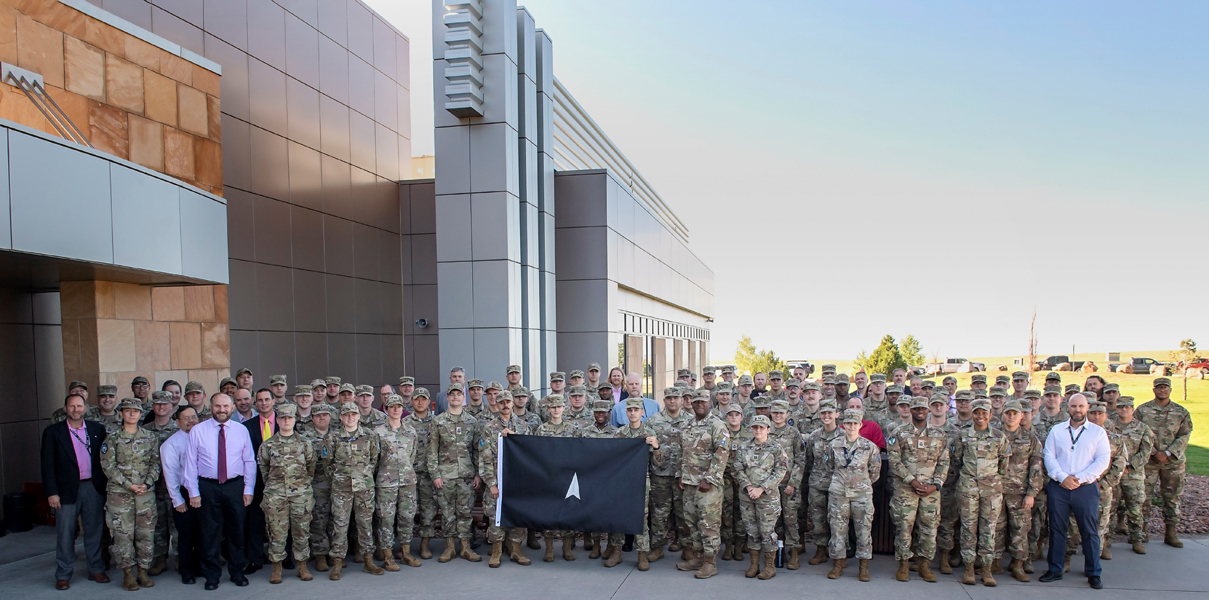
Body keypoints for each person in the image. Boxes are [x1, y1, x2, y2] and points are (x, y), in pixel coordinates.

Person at [1039, 393, 1111, 590]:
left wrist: (1080, 479)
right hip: (1060, 486)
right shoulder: (1057, 431)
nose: (1077, 410)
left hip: (1085, 487)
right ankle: (1055, 569)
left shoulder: (1097, 433)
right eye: (1073, 406)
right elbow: (1049, 456)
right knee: (1057, 529)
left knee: (1089, 531)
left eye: (1081, 406)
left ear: (1086, 407)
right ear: (1067, 408)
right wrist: (1063, 478)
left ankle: (1094, 572)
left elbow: (1103, 460)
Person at [184, 392, 255, 590]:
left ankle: (237, 572)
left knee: (236, 531)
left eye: (225, 406)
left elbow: (249, 461)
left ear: (232, 408)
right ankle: (212, 576)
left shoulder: (241, 430)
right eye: (217, 406)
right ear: (210, 406)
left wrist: (248, 489)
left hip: (235, 486)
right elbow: (191, 463)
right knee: (209, 533)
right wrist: (193, 492)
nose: (221, 410)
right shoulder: (198, 430)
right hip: (208, 486)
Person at [41, 393, 110, 590]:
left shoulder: (97, 429)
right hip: (65, 491)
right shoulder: (53, 432)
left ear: (85, 408)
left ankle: (96, 569)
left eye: (79, 406)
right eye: (71, 406)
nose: (76, 410)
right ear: (65, 409)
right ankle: (63, 574)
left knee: (94, 531)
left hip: (92, 487)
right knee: (65, 533)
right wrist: (51, 492)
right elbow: (47, 465)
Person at [887, 394, 949, 583]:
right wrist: (911, 481)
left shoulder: (939, 435)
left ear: (928, 410)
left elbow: (944, 462)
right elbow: (894, 460)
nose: (920, 412)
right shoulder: (898, 432)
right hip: (906, 489)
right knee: (904, 528)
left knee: (929, 528)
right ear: (911, 410)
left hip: (931, 491)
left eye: (923, 408)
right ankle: (904, 564)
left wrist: (936, 484)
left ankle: (924, 565)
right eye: (916, 409)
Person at [101, 398, 161, 590]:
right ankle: (128, 573)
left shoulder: (150, 437)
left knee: (146, 534)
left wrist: (147, 483)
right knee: (123, 535)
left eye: (135, 411)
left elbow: (156, 463)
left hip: (145, 495)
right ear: (121, 414)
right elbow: (108, 466)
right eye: (127, 411)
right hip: (120, 495)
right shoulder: (112, 439)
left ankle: (143, 571)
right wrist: (129, 485)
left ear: (140, 413)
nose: (132, 414)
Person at [257, 403, 316, 583]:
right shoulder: (268, 445)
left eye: (289, 417)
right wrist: (275, 487)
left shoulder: (305, 443)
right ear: (278, 420)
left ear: (295, 419)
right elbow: (264, 469)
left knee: (301, 531)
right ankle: (276, 568)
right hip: (276, 495)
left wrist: (301, 485)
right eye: (282, 418)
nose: (286, 421)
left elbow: (311, 467)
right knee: (276, 532)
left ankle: (302, 566)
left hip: (301, 495)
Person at [952, 398, 1009, 587]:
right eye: (977, 412)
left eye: (984, 413)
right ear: (972, 413)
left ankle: (986, 569)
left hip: (991, 490)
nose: (980, 416)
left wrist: (993, 478)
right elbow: (956, 460)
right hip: (968, 487)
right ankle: (969, 568)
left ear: (990, 415)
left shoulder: (999, 436)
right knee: (968, 528)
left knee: (989, 530)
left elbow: (1004, 463)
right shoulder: (962, 435)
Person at [477, 391, 534, 567]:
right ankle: (497, 551)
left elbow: (531, 453)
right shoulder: (489, 427)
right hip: (496, 480)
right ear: (497, 404)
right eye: (501, 402)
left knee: (517, 515)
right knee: (495, 517)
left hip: (517, 482)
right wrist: (491, 484)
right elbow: (484, 457)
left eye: (508, 401)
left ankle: (516, 550)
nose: (505, 405)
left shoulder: (523, 427)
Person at [677, 389, 729, 579]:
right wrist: (679, 475)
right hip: (689, 483)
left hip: (708, 485)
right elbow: (681, 452)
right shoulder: (687, 424)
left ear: (710, 403)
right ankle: (697, 557)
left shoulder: (717, 425)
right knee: (692, 523)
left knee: (709, 524)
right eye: (695, 402)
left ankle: (710, 562)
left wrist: (710, 479)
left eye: (703, 402)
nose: (699, 404)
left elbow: (722, 453)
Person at [1135, 377, 1193, 549]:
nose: (1162, 390)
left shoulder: (1181, 412)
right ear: (1154, 390)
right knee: (1143, 497)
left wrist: (1168, 453)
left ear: (1170, 390)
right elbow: (1137, 432)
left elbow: (1185, 434)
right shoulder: (1143, 410)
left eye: (1165, 388)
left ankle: (1171, 533)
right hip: (1149, 461)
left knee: (1172, 498)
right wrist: (1153, 452)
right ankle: (1142, 532)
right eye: (1159, 388)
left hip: (1173, 462)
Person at [328, 402, 383, 579]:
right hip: (341, 488)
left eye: (354, 414)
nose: (350, 418)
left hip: (364, 487)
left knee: (365, 524)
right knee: (340, 525)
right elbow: (327, 464)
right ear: (341, 417)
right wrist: (340, 478)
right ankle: (337, 562)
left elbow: (374, 460)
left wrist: (363, 476)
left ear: (359, 416)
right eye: (346, 414)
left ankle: (368, 560)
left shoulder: (369, 436)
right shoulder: (333, 437)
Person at [825, 408, 881, 582]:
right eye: (848, 423)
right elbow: (828, 467)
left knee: (863, 530)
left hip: (861, 494)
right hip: (839, 493)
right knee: (837, 529)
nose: (851, 426)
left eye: (855, 423)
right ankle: (837, 564)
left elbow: (875, 471)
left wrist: (862, 483)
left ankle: (863, 566)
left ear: (860, 425)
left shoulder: (869, 446)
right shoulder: (833, 445)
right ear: (844, 424)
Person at [429, 383, 481, 562]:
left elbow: (476, 450)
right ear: (448, 398)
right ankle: (449, 547)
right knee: (447, 513)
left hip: (466, 475)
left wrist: (477, 474)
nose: (456, 397)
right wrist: (435, 474)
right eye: (453, 395)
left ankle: (466, 547)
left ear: (463, 397)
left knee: (465, 513)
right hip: (445, 476)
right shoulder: (438, 422)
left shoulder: (472, 422)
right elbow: (432, 451)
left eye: (459, 394)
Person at [993, 400, 1043, 582]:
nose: (1012, 417)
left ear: (1022, 415)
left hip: (1020, 492)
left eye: (1015, 413)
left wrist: (1031, 493)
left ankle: (1018, 564)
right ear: (1003, 415)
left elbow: (1036, 467)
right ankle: (995, 560)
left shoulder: (1030, 439)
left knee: (1020, 529)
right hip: (996, 490)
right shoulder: (995, 436)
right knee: (996, 527)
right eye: (1008, 413)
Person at [734, 415, 789, 580]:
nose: (758, 430)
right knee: (751, 531)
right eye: (755, 427)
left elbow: (781, 470)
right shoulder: (744, 448)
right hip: (747, 495)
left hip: (768, 498)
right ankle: (754, 564)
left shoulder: (776, 448)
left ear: (768, 429)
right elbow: (737, 468)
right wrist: (750, 487)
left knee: (766, 531)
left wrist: (762, 488)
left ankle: (770, 566)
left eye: (762, 427)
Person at [612, 397, 662, 570]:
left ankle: (642, 554)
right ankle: (616, 552)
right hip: (621, 481)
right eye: (630, 410)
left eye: (636, 410)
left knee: (641, 517)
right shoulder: (619, 434)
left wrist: (655, 447)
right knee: (617, 515)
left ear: (642, 412)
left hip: (641, 481)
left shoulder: (649, 433)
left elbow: (659, 464)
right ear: (626, 413)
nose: (633, 413)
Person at [373, 394, 421, 570]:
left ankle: (406, 553)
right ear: (386, 409)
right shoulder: (378, 432)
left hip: (407, 480)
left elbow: (413, 456)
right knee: (386, 518)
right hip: (386, 482)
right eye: (392, 406)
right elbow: (374, 459)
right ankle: (387, 555)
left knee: (407, 517)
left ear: (402, 409)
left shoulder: (410, 431)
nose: (395, 409)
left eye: (399, 406)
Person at [644, 387, 692, 561]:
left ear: (681, 400)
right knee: (659, 513)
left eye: (676, 398)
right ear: (664, 401)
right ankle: (657, 547)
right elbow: (646, 447)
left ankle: (687, 546)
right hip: (660, 474)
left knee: (684, 513)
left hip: (684, 475)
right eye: (669, 398)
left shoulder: (690, 421)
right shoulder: (653, 421)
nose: (672, 401)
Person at [534, 394, 580, 561]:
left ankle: (567, 549)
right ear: (548, 409)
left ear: (563, 408)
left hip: (567, 477)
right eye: (552, 407)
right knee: (549, 513)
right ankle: (549, 549)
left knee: (567, 512)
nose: (555, 410)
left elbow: (579, 451)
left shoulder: (572, 429)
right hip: (548, 476)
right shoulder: (542, 429)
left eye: (558, 407)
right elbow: (536, 453)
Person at [160, 406, 200, 585]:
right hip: (183, 493)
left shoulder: (203, 437)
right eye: (186, 418)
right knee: (185, 535)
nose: (191, 420)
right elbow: (171, 474)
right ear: (177, 422)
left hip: (204, 491)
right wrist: (178, 500)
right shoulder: (171, 444)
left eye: (193, 417)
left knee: (203, 533)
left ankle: (201, 566)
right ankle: (187, 570)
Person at [140, 392, 178, 577]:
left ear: (171, 406)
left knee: (177, 524)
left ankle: (179, 556)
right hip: (153, 487)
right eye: (158, 404)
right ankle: (160, 557)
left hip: (174, 487)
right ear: (152, 407)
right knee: (157, 524)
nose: (161, 407)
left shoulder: (179, 429)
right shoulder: (144, 430)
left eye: (165, 404)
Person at [242, 388, 277, 574]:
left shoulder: (284, 422)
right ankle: (255, 558)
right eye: (260, 400)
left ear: (273, 401)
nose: (264, 403)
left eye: (267, 399)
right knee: (255, 521)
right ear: (256, 403)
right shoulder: (247, 427)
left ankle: (283, 556)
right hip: (256, 480)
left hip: (280, 481)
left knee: (280, 521)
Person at [1113, 397, 1154, 554]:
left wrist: (1129, 465)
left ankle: (1137, 539)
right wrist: (1119, 466)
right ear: (1117, 408)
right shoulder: (1110, 426)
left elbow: (1146, 452)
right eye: (1121, 406)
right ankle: (1107, 540)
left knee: (1135, 508)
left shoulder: (1142, 428)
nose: (1124, 409)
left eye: (1127, 407)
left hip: (1133, 475)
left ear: (1132, 409)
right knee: (1109, 509)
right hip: (1113, 474)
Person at [1086, 402, 1127, 561]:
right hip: (1080, 486)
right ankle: (1068, 557)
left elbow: (1120, 464)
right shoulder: (1078, 435)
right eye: (1093, 413)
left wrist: (1104, 483)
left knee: (1101, 524)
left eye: (1100, 413)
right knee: (1074, 524)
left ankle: (1097, 554)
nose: (1096, 417)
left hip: (1102, 488)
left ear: (1106, 416)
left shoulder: (1115, 439)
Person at [768, 400, 805, 568]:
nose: (777, 415)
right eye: (775, 412)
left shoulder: (793, 433)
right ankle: (775, 552)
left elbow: (800, 460)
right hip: (770, 485)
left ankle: (794, 553)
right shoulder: (765, 431)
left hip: (788, 483)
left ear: (787, 414)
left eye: (781, 413)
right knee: (774, 521)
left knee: (790, 520)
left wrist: (793, 483)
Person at [403, 388, 438, 559]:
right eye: (417, 399)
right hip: (409, 474)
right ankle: (406, 547)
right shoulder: (405, 422)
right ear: (412, 401)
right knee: (407, 512)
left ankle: (425, 545)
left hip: (429, 474)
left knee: (428, 511)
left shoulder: (437, 422)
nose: (420, 402)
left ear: (428, 400)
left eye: (423, 399)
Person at [302, 403, 335, 572]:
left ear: (330, 416)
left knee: (335, 520)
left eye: (325, 414)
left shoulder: (338, 435)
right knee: (318, 520)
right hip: (316, 484)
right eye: (318, 415)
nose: (322, 418)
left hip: (337, 484)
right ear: (312, 418)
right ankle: (320, 555)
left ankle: (335, 554)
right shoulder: (305, 438)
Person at [719, 403, 753, 563]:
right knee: (726, 512)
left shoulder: (748, 435)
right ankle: (727, 545)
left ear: (741, 417)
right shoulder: (721, 433)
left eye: (736, 415)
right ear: (727, 417)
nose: (733, 417)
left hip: (742, 479)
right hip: (725, 478)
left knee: (741, 512)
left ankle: (739, 545)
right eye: (730, 415)